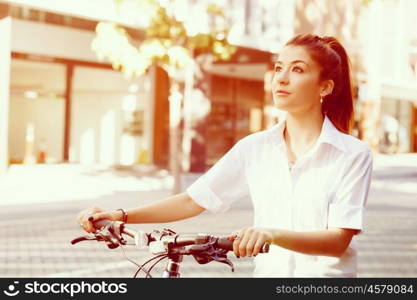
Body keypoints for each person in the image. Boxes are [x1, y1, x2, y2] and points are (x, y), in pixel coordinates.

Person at [77, 34, 373, 277]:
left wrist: (270, 234)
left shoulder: (352, 155)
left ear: (325, 86)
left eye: (297, 69)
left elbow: (337, 241)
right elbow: (193, 200)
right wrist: (121, 215)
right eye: (279, 67)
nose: (281, 79)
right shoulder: (255, 148)